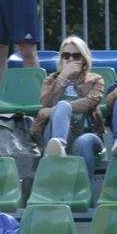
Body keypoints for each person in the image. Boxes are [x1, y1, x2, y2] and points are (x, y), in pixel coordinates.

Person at [32, 35, 104, 179]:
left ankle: (84, 188)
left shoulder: (95, 79)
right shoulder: (51, 79)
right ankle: (58, 148)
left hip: (86, 132)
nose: (70, 60)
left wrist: (58, 109)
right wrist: (63, 77)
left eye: (76, 56)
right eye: (66, 56)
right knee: (52, 132)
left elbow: (90, 102)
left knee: (84, 141)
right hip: (54, 132)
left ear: (84, 59)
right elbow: (45, 102)